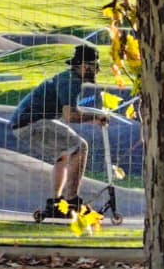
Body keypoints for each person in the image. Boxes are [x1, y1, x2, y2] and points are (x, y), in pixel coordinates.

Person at [10, 43, 107, 219]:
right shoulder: (72, 81)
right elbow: (70, 116)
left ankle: (56, 203)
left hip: (24, 123)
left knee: (63, 155)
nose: (98, 71)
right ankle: (71, 200)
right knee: (80, 146)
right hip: (32, 123)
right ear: (85, 66)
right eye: (95, 66)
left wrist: (90, 117)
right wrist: (94, 117)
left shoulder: (67, 79)